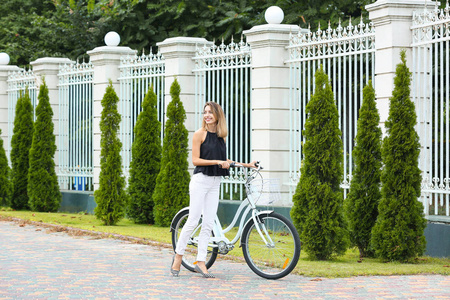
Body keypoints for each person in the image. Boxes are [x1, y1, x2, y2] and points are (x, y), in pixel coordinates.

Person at [170, 101, 256, 278]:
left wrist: (247, 164)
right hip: (200, 181)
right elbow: (195, 160)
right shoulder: (199, 135)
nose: (207, 115)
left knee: (208, 223)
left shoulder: (221, 136)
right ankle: (178, 256)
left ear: (218, 115)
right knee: (193, 220)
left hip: (215, 182)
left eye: (210, 112)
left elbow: (223, 160)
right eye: (205, 112)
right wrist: (217, 162)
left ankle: (201, 261)